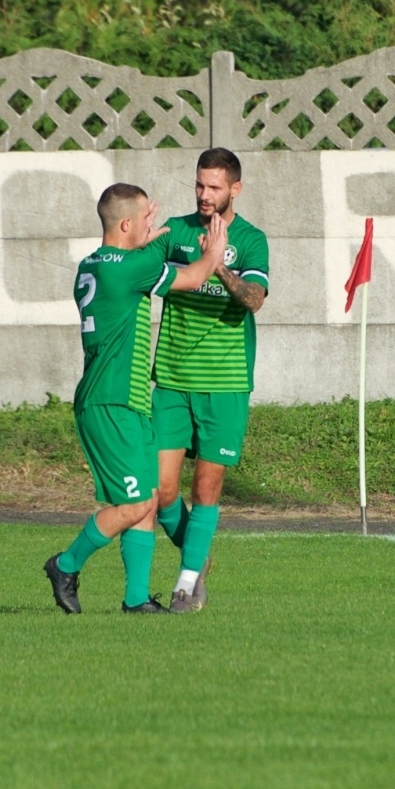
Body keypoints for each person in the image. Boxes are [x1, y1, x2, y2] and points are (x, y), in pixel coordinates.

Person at [45, 183, 225, 615]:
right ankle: (65, 564)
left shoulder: (97, 263)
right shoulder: (126, 268)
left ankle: (136, 600)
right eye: (144, 218)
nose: (151, 223)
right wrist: (216, 247)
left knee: (146, 502)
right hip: (110, 403)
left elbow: (139, 251)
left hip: (130, 402)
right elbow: (197, 275)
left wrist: (152, 235)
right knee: (136, 504)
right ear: (125, 224)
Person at [152, 148, 270, 613]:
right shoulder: (176, 233)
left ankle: (186, 584)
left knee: (205, 489)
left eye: (215, 187)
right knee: (160, 490)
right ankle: (197, 557)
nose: (204, 195)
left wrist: (217, 263)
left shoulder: (252, 239)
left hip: (225, 382)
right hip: (173, 379)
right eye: (199, 185)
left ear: (235, 189)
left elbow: (254, 299)